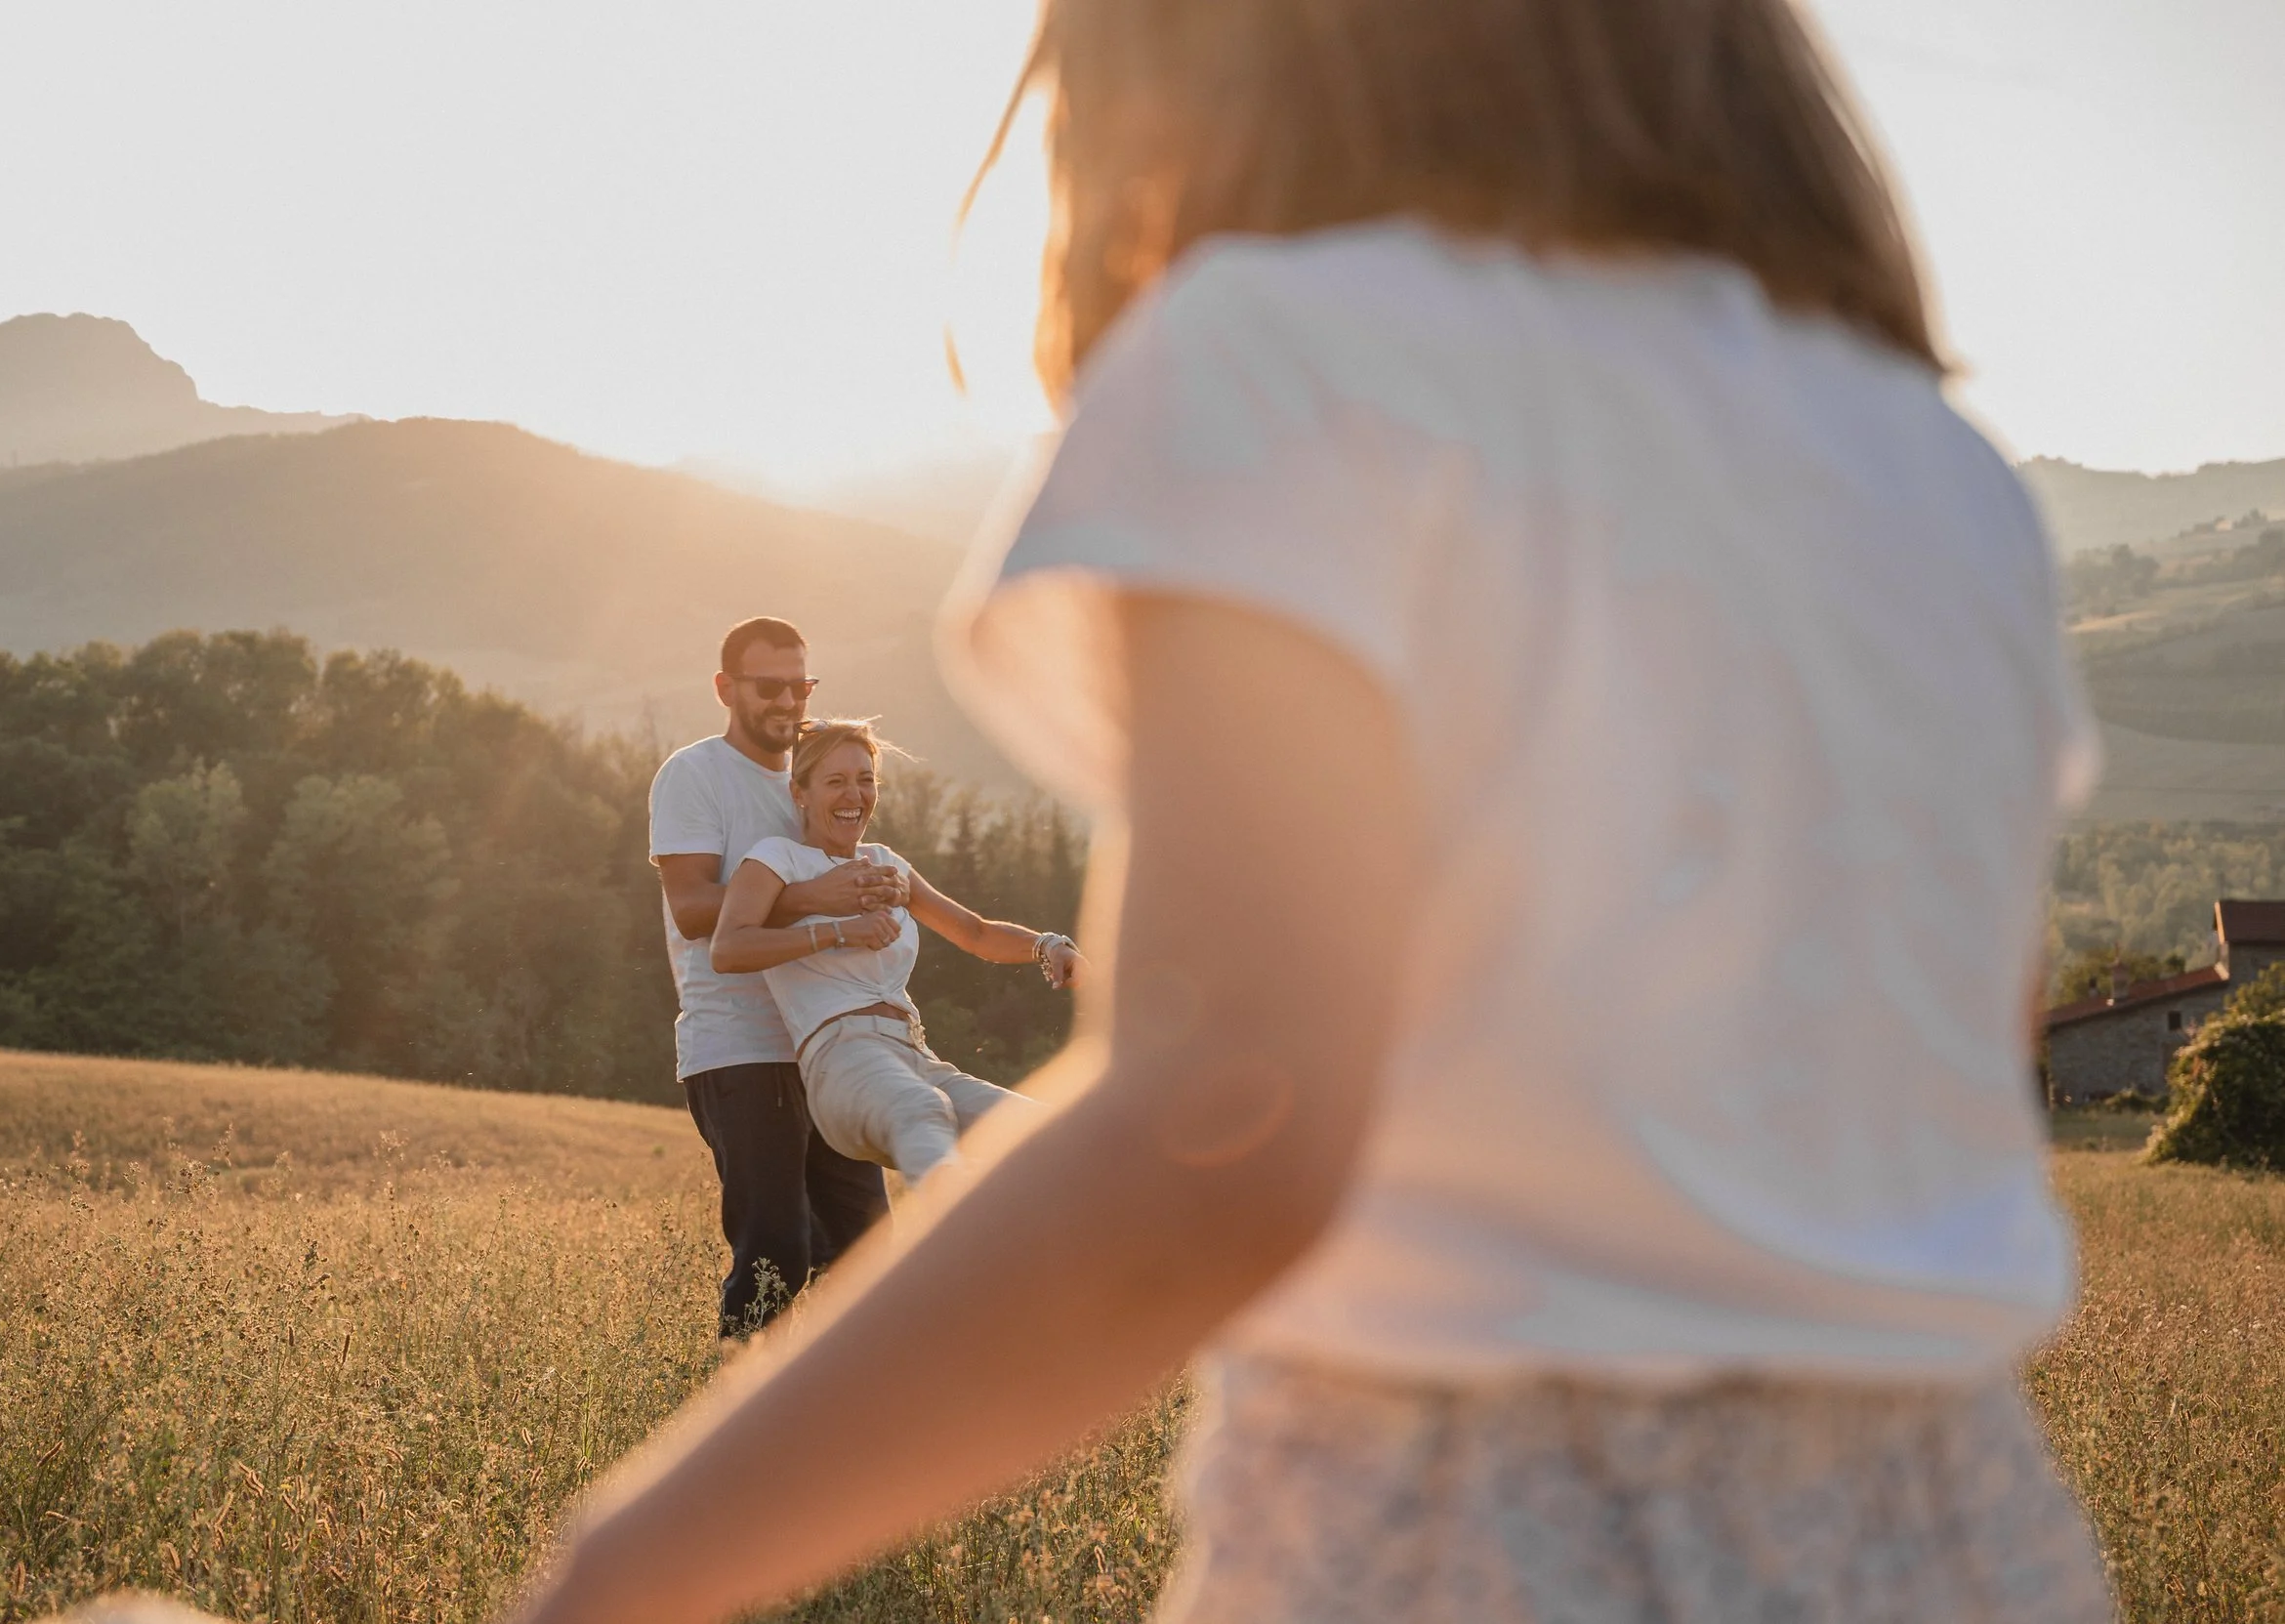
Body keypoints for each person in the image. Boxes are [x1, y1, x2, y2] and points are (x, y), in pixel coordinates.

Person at [513, 1, 2112, 1621]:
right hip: (1974, 1537)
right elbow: (1981, 1042)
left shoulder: (1291, 356)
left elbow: (1229, 1123)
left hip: (1483, 1542)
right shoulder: (1936, 469)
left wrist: (616, 1576)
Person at [647, 617, 901, 1336]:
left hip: (827, 1042)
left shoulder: (813, 772)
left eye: (801, 684)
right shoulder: (693, 775)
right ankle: (735, 1404)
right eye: (769, 687)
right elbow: (695, 908)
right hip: (739, 1046)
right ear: (726, 688)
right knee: (777, 1252)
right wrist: (815, 900)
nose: (788, 701)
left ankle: (849, 1419)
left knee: (866, 1252)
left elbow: (848, 870)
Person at [709, 719, 1082, 1186]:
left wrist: (1049, 945)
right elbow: (729, 948)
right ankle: (949, 1240)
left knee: (1057, 1133)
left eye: (866, 780)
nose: (854, 795)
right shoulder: (775, 858)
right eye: (836, 781)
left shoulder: (886, 863)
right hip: (840, 1059)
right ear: (799, 793)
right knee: (922, 1108)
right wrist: (839, 932)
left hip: (915, 1054)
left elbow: (976, 932)